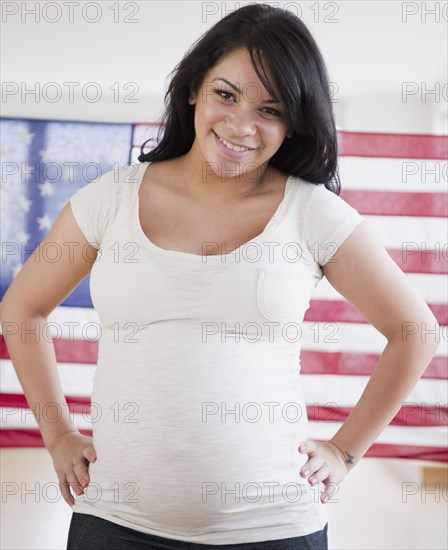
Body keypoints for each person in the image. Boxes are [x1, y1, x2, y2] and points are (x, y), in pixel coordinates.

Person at [1, 4, 439, 550]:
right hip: (116, 523)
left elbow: (415, 331)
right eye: (225, 95)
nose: (239, 127)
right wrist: (58, 432)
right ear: (193, 89)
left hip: (274, 528)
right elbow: (21, 310)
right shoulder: (110, 199)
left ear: (294, 122)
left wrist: (345, 450)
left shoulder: (313, 213)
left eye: (270, 109)